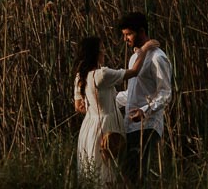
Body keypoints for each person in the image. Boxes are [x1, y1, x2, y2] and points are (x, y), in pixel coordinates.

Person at [73, 35, 160, 188]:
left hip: (89, 128)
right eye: (102, 49)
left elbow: (79, 106)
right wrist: (145, 49)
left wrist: (96, 104)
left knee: (94, 170)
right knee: (110, 172)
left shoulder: (80, 76)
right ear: (95, 53)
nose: (104, 52)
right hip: (106, 125)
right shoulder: (101, 75)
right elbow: (134, 71)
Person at [114, 12, 172, 186]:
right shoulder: (135, 58)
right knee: (128, 175)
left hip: (147, 125)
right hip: (130, 125)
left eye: (128, 34)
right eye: (124, 35)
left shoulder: (158, 57)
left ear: (141, 31)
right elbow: (132, 94)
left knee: (138, 176)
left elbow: (165, 93)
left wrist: (145, 110)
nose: (125, 39)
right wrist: (108, 100)